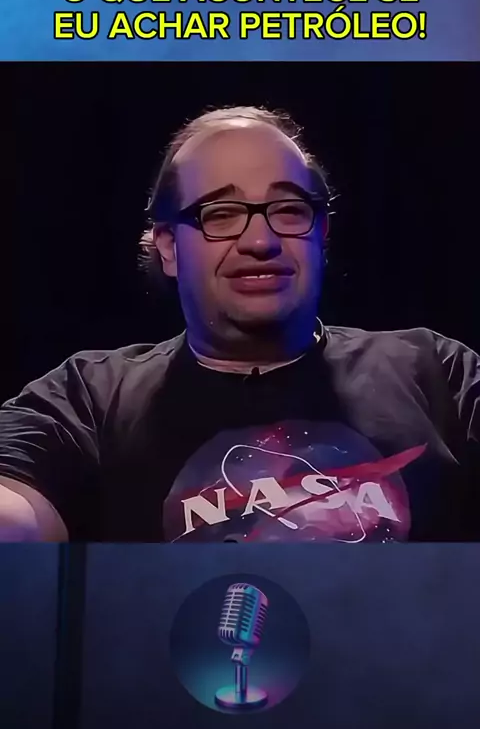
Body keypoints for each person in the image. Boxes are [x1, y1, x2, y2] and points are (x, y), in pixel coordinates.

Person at [1, 105, 479, 543]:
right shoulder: (87, 398)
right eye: (222, 214)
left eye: (289, 210)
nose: (260, 241)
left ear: (321, 234)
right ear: (168, 247)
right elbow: (14, 509)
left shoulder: (435, 370)